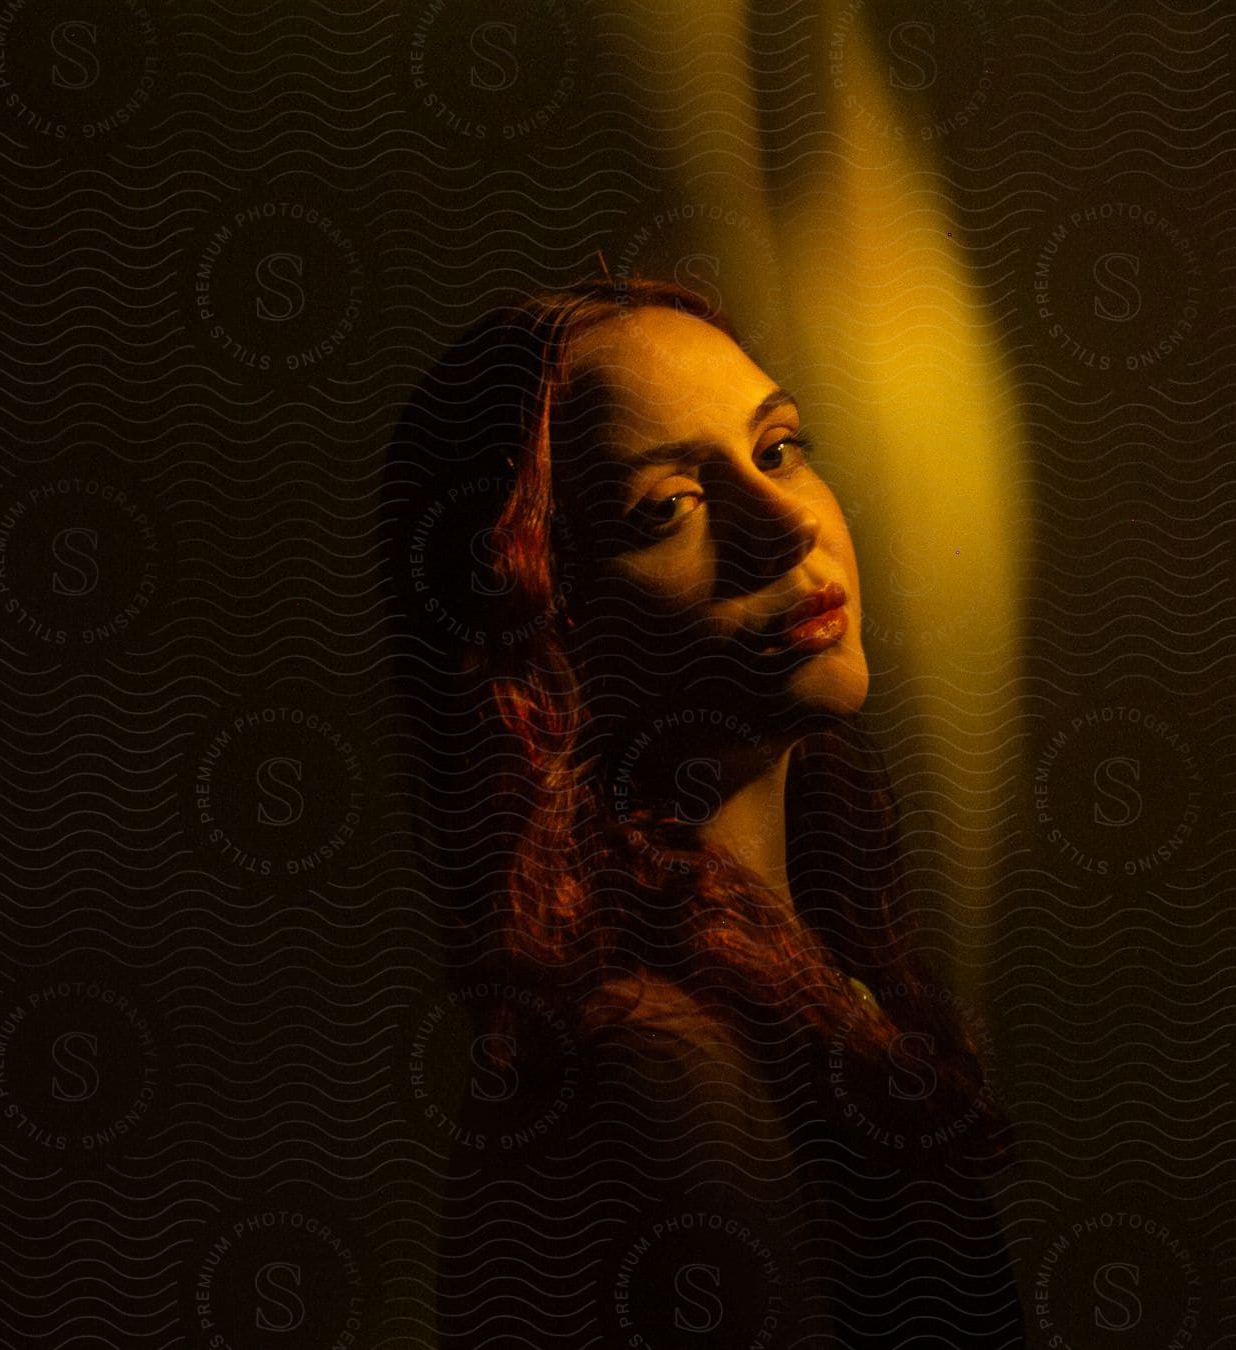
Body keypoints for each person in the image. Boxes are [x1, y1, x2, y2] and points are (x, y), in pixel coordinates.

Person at [383, 276, 1026, 1348]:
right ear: (542, 628)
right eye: (664, 508)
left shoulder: (804, 978)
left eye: (777, 448)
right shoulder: (651, 1061)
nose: (784, 522)